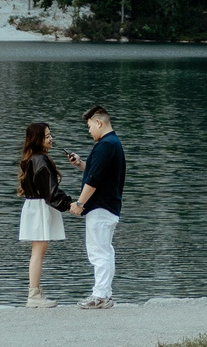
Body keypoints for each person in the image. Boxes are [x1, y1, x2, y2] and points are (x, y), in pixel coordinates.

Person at [64, 103, 125, 309]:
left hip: (100, 207)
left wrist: (80, 203)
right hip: (109, 206)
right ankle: (105, 294)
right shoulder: (113, 144)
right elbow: (96, 172)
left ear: (99, 122)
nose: (89, 130)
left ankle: (99, 296)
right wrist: (81, 163)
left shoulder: (105, 146)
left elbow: (94, 179)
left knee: (98, 252)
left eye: (89, 126)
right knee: (105, 251)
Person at [15, 121, 69, 308]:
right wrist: (70, 204)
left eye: (50, 134)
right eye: (47, 136)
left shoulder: (32, 158)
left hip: (35, 206)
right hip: (40, 207)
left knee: (38, 251)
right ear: (37, 139)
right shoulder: (40, 160)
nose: (51, 138)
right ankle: (34, 294)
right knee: (38, 251)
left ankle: (35, 292)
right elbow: (51, 191)